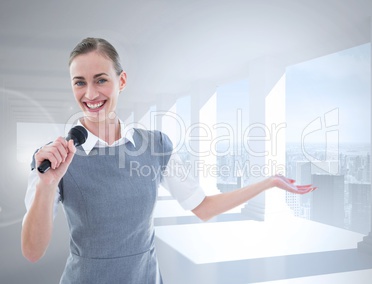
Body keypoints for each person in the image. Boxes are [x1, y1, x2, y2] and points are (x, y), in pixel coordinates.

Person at [21, 37, 316, 283]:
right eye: (79, 83)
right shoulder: (53, 159)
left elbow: (203, 207)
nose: (90, 93)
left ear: (121, 81)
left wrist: (268, 183)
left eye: (101, 80)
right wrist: (48, 185)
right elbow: (33, 251)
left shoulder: (155, 145)